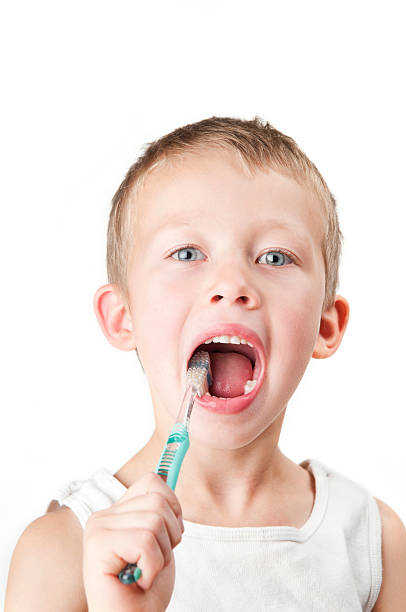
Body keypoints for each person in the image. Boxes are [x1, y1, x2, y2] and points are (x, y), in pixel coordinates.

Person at [5, 116, 406, 611]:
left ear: (326, 325)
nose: (232, 283)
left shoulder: (371, 542)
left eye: (276, 258)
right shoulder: (63, 550)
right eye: (188, 252)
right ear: (122, 317)